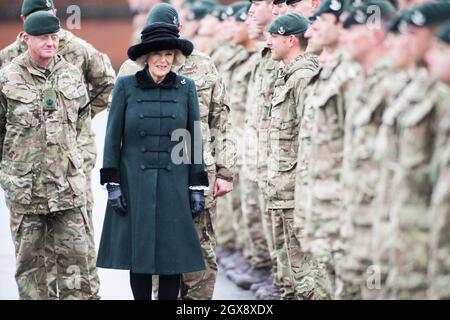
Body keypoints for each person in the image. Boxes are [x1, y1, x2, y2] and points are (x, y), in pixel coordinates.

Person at [118, 2, 236, 300]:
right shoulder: (132, 70)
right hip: (150, 175)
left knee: (200, 250)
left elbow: (221, 119)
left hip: (198, 173)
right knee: (157, 251)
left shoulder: (204, 66)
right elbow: (121, 130)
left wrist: (226, 172)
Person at [0, 0, 116, 299]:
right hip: (26, 188)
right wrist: (10, 170)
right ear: (26, 33)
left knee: (78, 260)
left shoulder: (71, 69)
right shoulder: (7, 73)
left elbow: (85, 110)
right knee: (31, 265)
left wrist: (75, 151)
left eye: (54, 35)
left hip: (68, 183)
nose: (52, 41)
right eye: (44, 37)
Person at [97, 22, 209, 300]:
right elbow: (113, 138)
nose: (163, 60)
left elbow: (192, 138)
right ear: (146, 57)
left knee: (172, 257)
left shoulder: (187, 87)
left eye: (169, 54)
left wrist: (196, 186)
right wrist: (113, 182)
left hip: (174, 182)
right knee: (141, 255)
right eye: (157, 54)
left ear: (176, 57)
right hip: (135, 181)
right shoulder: (125, 86)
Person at [266, 12, 320, 299]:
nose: (269, 41)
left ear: (291, 39)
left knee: (304, 265)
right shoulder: (286, 74)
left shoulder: (302, 77)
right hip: (282, 185)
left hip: (295, 186)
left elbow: (310, 135)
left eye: (274, 36)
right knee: (289, 262)